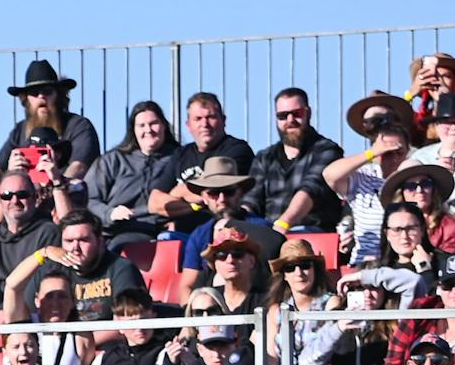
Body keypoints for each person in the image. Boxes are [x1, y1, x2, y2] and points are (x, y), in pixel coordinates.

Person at [0, 61, 101, 199]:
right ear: (26, 99)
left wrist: (56, 184)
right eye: (35, 93)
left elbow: (79, 167)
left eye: (47, 92)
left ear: (59, 95)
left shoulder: (79, 125)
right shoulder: (20, 130)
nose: (41, 97)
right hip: (23, 203)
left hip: (66, 201)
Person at [323, 93, 416, 265]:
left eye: (399, 152)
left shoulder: (413, 179)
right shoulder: (364, 176)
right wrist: (372, 152)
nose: (393, 158)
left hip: (401, 264)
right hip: (365, 264)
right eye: (387, 153)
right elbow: (330, 175)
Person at [245, 88, 346, 232]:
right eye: (283, 116)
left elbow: (311, 190)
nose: (290, 120)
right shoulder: (264, 157)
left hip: (312, 234)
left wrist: (284, 223)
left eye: (297, 114)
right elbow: (251, 200)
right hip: (270, 235)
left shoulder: (327, 150)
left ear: (308, 113)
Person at [158, 92, 258, 231]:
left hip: (221, 225)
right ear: (188, 125)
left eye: (210, 117)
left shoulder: (237, 149)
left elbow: (218, 188)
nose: (204, 124)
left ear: (223, 120)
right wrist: (193, 204)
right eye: (198, 119)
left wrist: (175, 195)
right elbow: (154, 202)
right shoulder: (181, 154)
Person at [0, 172, 58, 316]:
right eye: (7, 195)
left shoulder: (49, 234)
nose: (14, 201)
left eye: (22, 194)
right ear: (0, 201)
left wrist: (12, 316)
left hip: (34, 320)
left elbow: (48, 285)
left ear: (35, 198)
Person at [86, 100, 180, 233]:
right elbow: (89, 199)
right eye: (141, 125)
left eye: (153, 123)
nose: (148, 130)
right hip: (118, 231)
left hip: (162, 230)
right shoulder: (112, 160)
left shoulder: (180, 158)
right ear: (133, 130)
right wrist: (110, 213)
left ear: (164, 126)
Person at [404, 91, 455, 200]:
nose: (454, 127)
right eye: (447, 122)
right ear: (436, 125)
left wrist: (437, 178)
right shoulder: (421, 155)